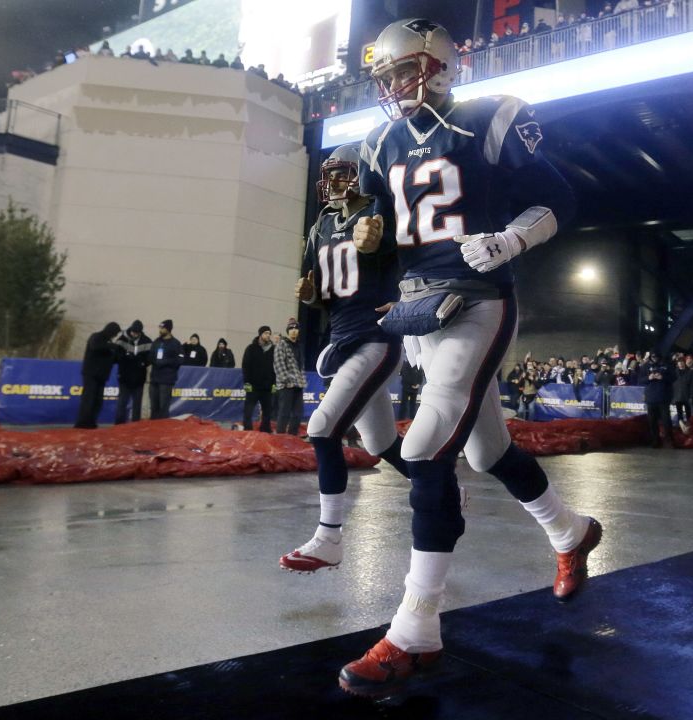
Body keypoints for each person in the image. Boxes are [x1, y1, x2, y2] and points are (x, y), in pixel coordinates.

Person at [336, 18, 602, 697]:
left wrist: (512, 240)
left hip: (481, 298)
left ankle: (415, 631)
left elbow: (561, 196)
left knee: (425, 449)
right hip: (418, 309)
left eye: (401, 72)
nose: (393, 87)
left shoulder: (489, 118)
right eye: (386, 78)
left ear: (436, 64)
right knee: (485, 452)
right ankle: (570, 532)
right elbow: (373, 237)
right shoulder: (378, 141)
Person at [280, 145, 416, 572]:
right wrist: (312, 297)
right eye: (331, 175)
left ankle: (329, 538)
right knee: (380, 443)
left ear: (362, 175)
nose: (335, 183)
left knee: (321, 428)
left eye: (343, 174)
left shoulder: (383, 209)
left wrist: (380, 245)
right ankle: (442, 487)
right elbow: (325, 292)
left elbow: (407, 260)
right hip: (344, 339)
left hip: (376, 338)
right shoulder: (322, 223)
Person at [75, 322, 121, 429]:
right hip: (91, 374)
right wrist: (113, 346)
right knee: (88, 399)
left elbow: (112, 358)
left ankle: (91, 421)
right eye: (115, 333)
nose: (115, 336)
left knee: (98, 401)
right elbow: (96, 347)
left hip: (102, 375)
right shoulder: (96, 337)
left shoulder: (108, 342)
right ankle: (82, 423)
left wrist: (120, 355)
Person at [115, 320, 151, 424]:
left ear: (140, 332)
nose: (134, 334)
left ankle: (135, 425)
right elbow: (116, 355)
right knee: (122, 402)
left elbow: (150, 357)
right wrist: (125, 357)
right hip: (124, 376)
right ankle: (119, 424)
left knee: (137, 403)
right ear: (130, 330)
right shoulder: (122, 339)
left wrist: (143, 362)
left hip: (139, 377)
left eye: (137, 332)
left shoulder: (147, 341)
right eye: (133, 332)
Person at [273, 320, 306, 435]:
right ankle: (281, 438)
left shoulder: (299, 346)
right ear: (287, 331)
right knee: (284, 413)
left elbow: (300, 366)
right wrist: (286, 379)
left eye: (296, 329)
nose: (294, 331)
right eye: (291, 329)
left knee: (298, 413)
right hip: (286, 385)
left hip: (298, 384)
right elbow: (278, 364)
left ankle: (292, 438)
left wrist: (301, 380)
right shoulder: (281, 344)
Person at [241, 326, 276, 432]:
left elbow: (276, 367)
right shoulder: (251, 348)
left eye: (269, 333)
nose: (268, 335)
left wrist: (274, 383)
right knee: (248, 410)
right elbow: (245, 366)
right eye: (265, 333)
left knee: (267, 410)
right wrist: (246, 382)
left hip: (267, 387)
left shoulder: (274, 349)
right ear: (260, 334)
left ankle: (265, 429)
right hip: (253, 386)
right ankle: (247, 429)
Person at [640, 351, 676, 448]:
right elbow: (640, 380)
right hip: (651, 398)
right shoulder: (645, 366)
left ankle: (669, 440)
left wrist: (663, 377)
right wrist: (649, 377)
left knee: (666, 420)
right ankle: (655, 440)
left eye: (656, 356)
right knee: (652, 421)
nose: (654, 358)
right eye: (653, 357)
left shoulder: (666, 365)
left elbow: (674, 377)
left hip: (663, 397)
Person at [148, 320, 182, 419]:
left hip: (167, 380)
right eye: (160, 328)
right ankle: (153, 427)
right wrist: (154, 361)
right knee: (154, 406)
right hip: (154, 378)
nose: (160, 330)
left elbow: (180, 359)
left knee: (164, 406)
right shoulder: (156, 342)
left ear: (168, 329)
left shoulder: (176, 343)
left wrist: (165, 362)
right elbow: (150, 356)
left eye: (162, 328)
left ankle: (163, 428)